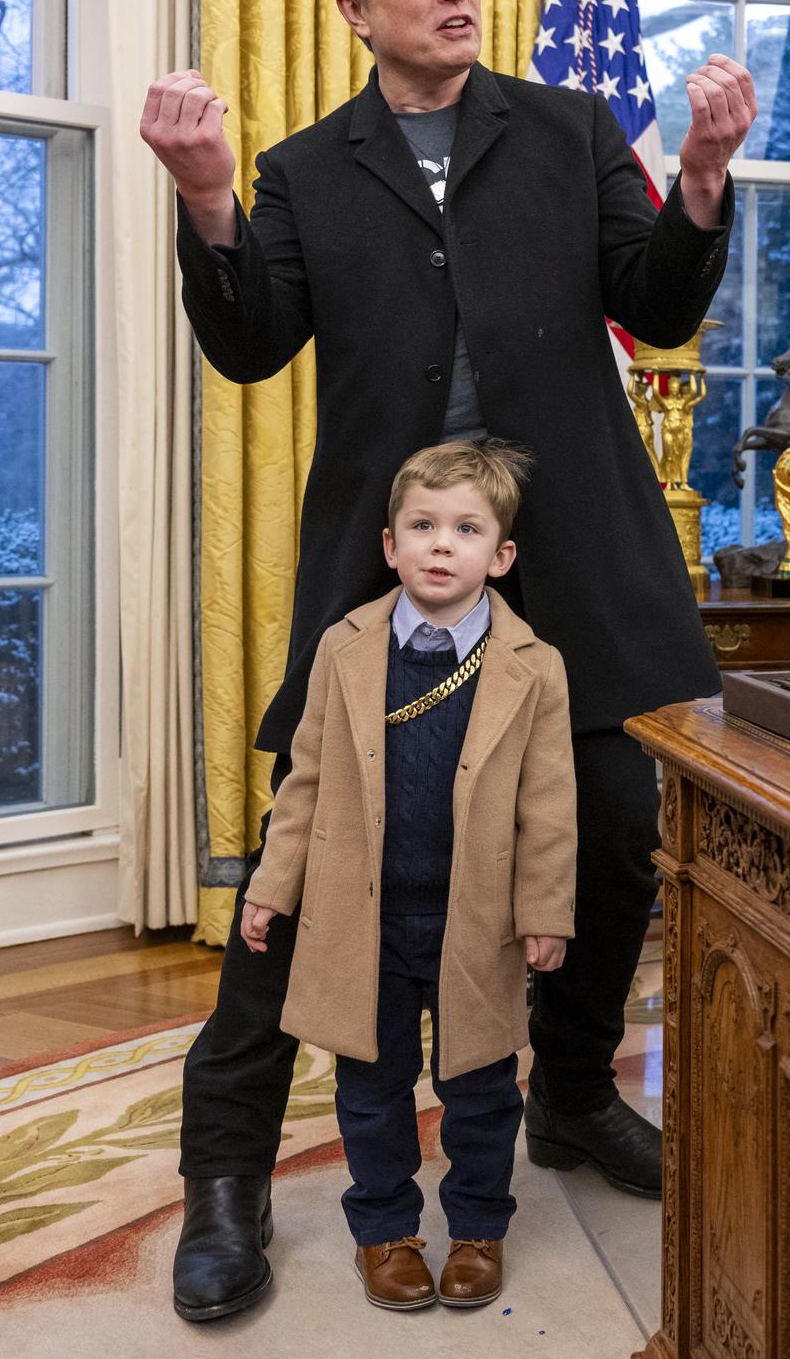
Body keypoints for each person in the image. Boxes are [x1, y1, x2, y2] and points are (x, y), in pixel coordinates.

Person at [139, 0, 755, 1321]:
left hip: (578, 567)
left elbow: (655, 304)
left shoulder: (567, 129)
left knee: (611, 841)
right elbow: (249, 345)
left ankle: (573, 1097)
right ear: (356, 9)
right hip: (393, 569)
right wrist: (210, 198)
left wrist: (709, 181)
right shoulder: (301, 169)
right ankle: (223, 1175)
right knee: (308, 874)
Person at [238, 441, 575, 1313]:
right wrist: (271, 888)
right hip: (367, 921)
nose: (439, 544)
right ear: (389, 545)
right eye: (421, 526)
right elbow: (304, 782)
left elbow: (549, 805)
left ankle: (476, 1230)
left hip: (477, 923)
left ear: (499, 556)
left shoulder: (533, 666)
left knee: (481, 1091)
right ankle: (384, 1231)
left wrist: (547, 913)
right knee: (371, 1089)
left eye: (465, 529)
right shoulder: (344, 650)